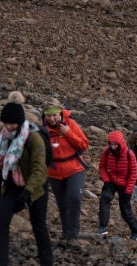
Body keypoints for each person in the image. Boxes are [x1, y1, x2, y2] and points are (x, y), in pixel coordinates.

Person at [0, 92, 52, 266]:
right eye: (6, 123)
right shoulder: (2, 137)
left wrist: (26, 195)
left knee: (38, 224)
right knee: (1, 221)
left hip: (36, 188)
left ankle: (47, 262)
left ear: (19, 123)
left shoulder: (33, 138)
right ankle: (0, 262)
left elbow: (39, 170)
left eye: (12, 124)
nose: (8, 127)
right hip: (11, 185)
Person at [42, 100, 89, 247]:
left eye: (54, 115)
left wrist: (68, 133)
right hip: (54, 172)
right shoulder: (42, 129)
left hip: (75, 169)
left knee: (74, 198)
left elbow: (84, 144)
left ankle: (73, 235)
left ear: (60, 113)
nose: (52, 118)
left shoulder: (70, 124)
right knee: (62, 204)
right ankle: (65, 232)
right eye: (48, 116)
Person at [97, 130, 137, 240]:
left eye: (115, 144)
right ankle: (102, 227)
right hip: (111, 182)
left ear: (120, 143)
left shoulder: (129, 154)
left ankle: (136, 231)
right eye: (110, 144)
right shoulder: (107, 152)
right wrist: (106, 180)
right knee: (104, 199)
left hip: (125, 185)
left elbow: (133, 173)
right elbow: (102, 167)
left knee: (125, 209)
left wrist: (128, 190)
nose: (112, 147)